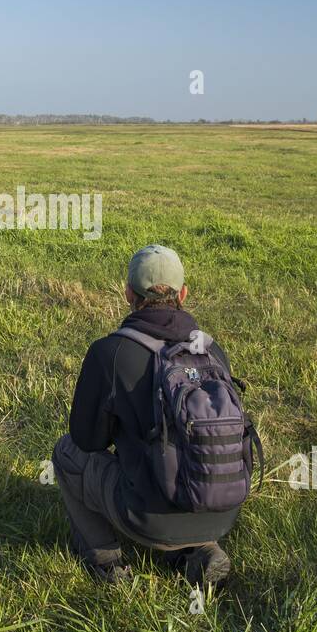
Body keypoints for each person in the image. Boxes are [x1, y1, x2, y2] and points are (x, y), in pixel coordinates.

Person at [52, 244, 251, 587]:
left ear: (128, 293)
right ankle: (201, 549)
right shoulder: (213, 350)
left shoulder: (109, 352)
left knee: (67, 452)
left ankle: (105, 563)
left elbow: (87, 439)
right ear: (184, 294)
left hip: (145, 516)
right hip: (222, 511)